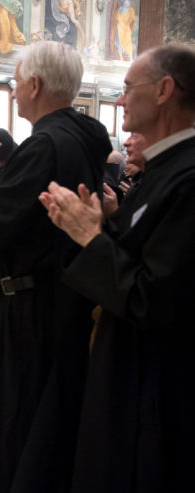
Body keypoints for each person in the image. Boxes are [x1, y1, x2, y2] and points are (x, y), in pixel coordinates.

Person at [0, 40, 111, 493]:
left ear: (34, 85)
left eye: (16, 83)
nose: (13, 91)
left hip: (31, 312)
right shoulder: (85, 138)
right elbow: (19, 221)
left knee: (16, 430)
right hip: (63, 300)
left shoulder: (44, 145)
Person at [39, 44, 195, 493]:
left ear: (164, 90)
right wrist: (94, 231)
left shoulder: (186, 179)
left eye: (128, 88)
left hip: (153, 391)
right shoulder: (161, 171)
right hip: (125, 372)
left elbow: (152, 297)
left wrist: (91, 238)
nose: (121, 99)